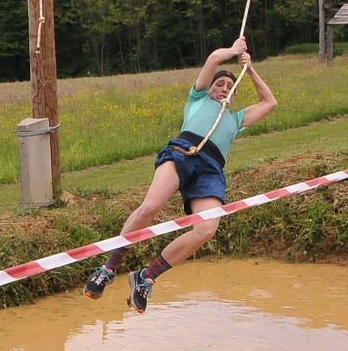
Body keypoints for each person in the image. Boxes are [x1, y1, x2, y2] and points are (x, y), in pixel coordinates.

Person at [83, 36, 277, 313]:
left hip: (211, 169)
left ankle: (146, 277)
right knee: (151, 206)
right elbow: (213, 59)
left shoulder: (236, 119)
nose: (224, 88)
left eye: (229, 87)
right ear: (209, 88)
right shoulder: (198, 98)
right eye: (219, 84)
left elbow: (269, 102)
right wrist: (234, 51)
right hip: (182, 152)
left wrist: (251, 69)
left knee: (206, 229)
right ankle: (109, 267)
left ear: (234, 95)